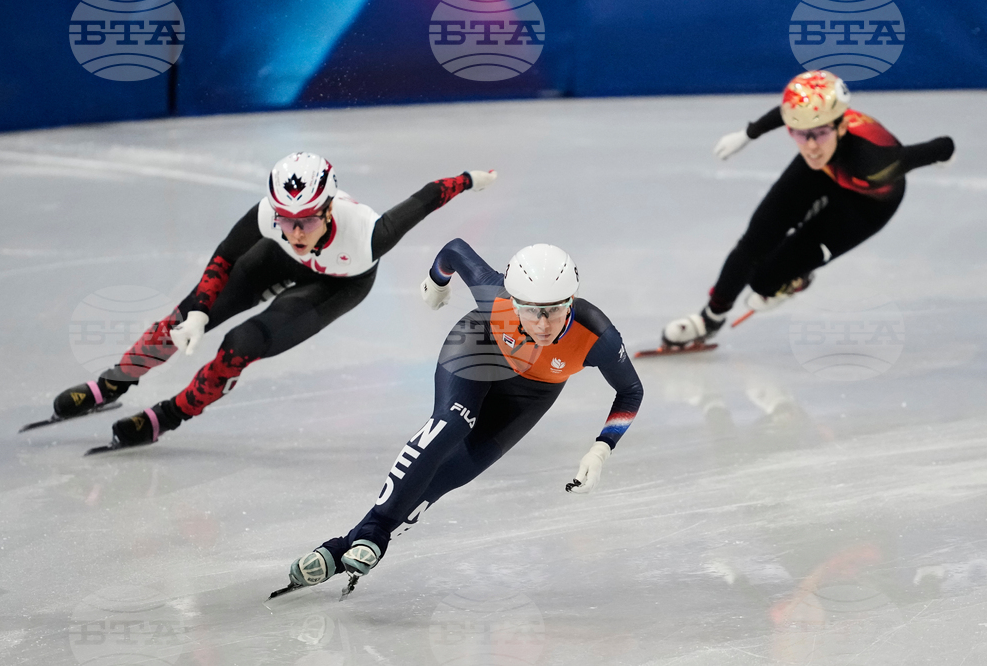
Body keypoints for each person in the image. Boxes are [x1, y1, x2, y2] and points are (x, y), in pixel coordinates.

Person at [50, 152, 497, 449]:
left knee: (241, 344)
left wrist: (473, 180)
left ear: (328, 209)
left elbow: (427, 196)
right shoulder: (274, 221)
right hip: (276, 262)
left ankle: (169, 415)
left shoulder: (368, 235)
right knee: (185, 315)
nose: (295, 231)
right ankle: (116, 381)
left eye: (305, 221)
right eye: (286, 219)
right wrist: (200, 311)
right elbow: (225, 256)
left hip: (339, 283)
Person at [285, 239, 644, 590]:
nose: (544, 323)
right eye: (532, 310)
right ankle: (376, 531)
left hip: (533, 391)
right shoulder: (496, 297)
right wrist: (436, 282)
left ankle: (346, 545)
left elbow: (630, 390)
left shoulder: (599, 336)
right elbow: (454, 251)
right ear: (514, 302)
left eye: (555, 308)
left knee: (455, 472)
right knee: (452, 424)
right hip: (478, 349)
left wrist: (602, 448)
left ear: (572, 300)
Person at [662, 70, 955, 348]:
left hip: (867, 204)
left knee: (764, 281)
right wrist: (748, 134)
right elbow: (789, 114)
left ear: (841, 126)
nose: (811, 146)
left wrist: (945, 154)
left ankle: (796, 279)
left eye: (821, 133)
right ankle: (709, 318)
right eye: (800, 134)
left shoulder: (877, 163)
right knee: (754, 242)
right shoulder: (815, 138)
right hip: (823, 172)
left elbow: (939, 146)